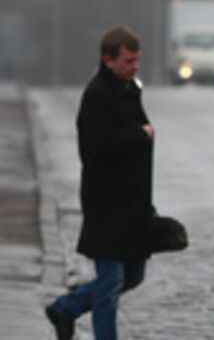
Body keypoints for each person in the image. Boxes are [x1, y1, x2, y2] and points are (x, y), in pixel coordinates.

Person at [45, 25, 155, 340]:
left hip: (132, 203)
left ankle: (65, 309)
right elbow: (97, 144)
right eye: (128, 61)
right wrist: (140, 135)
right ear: (108, 60)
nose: (134, 67)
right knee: (109, 285)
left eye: (137, 61)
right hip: (106, 204)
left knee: (133, 275)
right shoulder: (97, 95)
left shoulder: (129, 89)